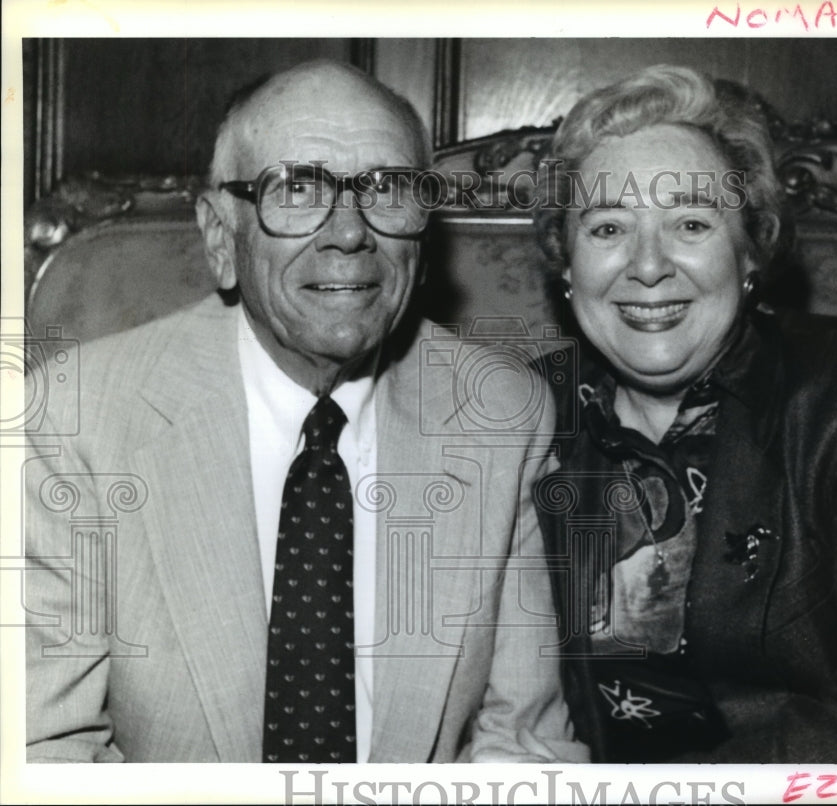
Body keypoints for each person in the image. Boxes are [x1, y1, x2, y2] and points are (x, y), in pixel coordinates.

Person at [24, 60, 585, 764]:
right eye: (298, 187)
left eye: (387, 188)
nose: (349, 233)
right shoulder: (76, 419)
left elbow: (523, 745)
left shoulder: (503, 414)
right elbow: (42, 751)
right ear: (221, 236)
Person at [530, 64, 837, 763]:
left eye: (692, 223)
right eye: (608, 226)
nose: (647, 266)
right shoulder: (508, 416)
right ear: (566, 263)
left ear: (750, 251)